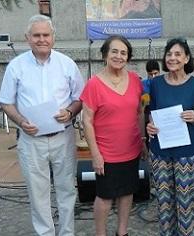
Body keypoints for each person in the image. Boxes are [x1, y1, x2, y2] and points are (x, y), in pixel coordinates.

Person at [0, 15, 84, 236]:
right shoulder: (16, 66)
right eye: (36, 35)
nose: (41, 39)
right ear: (28, 38)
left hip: (62, 137)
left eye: (46, 35)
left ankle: (67, 233)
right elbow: (6, 102)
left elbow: (80, 98)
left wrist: (70, 111)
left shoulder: (67, 64)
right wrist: (20, 121)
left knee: (66, 190)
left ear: (53, 37)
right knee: (38, 194)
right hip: (31, 140)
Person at [80, 35, 144, 236]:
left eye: (123, 52)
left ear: (128, 57)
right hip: (106, 153)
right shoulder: (94, 84)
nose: (119, 56)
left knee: (127, 193)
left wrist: (142, 141)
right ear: (105, 55)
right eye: (114, 51)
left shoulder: (135, 80)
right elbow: (87, 121)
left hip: (131, 149)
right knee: (105, 197)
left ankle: (122, 232)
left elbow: (139, 112)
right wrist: (96, 154)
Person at [146, 37, 194, 236]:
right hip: (160, 152)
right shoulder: (155, 84)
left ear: (186, 58)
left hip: (187, 153)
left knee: (185, 200)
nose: (172, 58)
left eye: (177, 54)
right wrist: (150, 126)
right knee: (164, 201)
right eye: (169, 54)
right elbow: (151, 112)